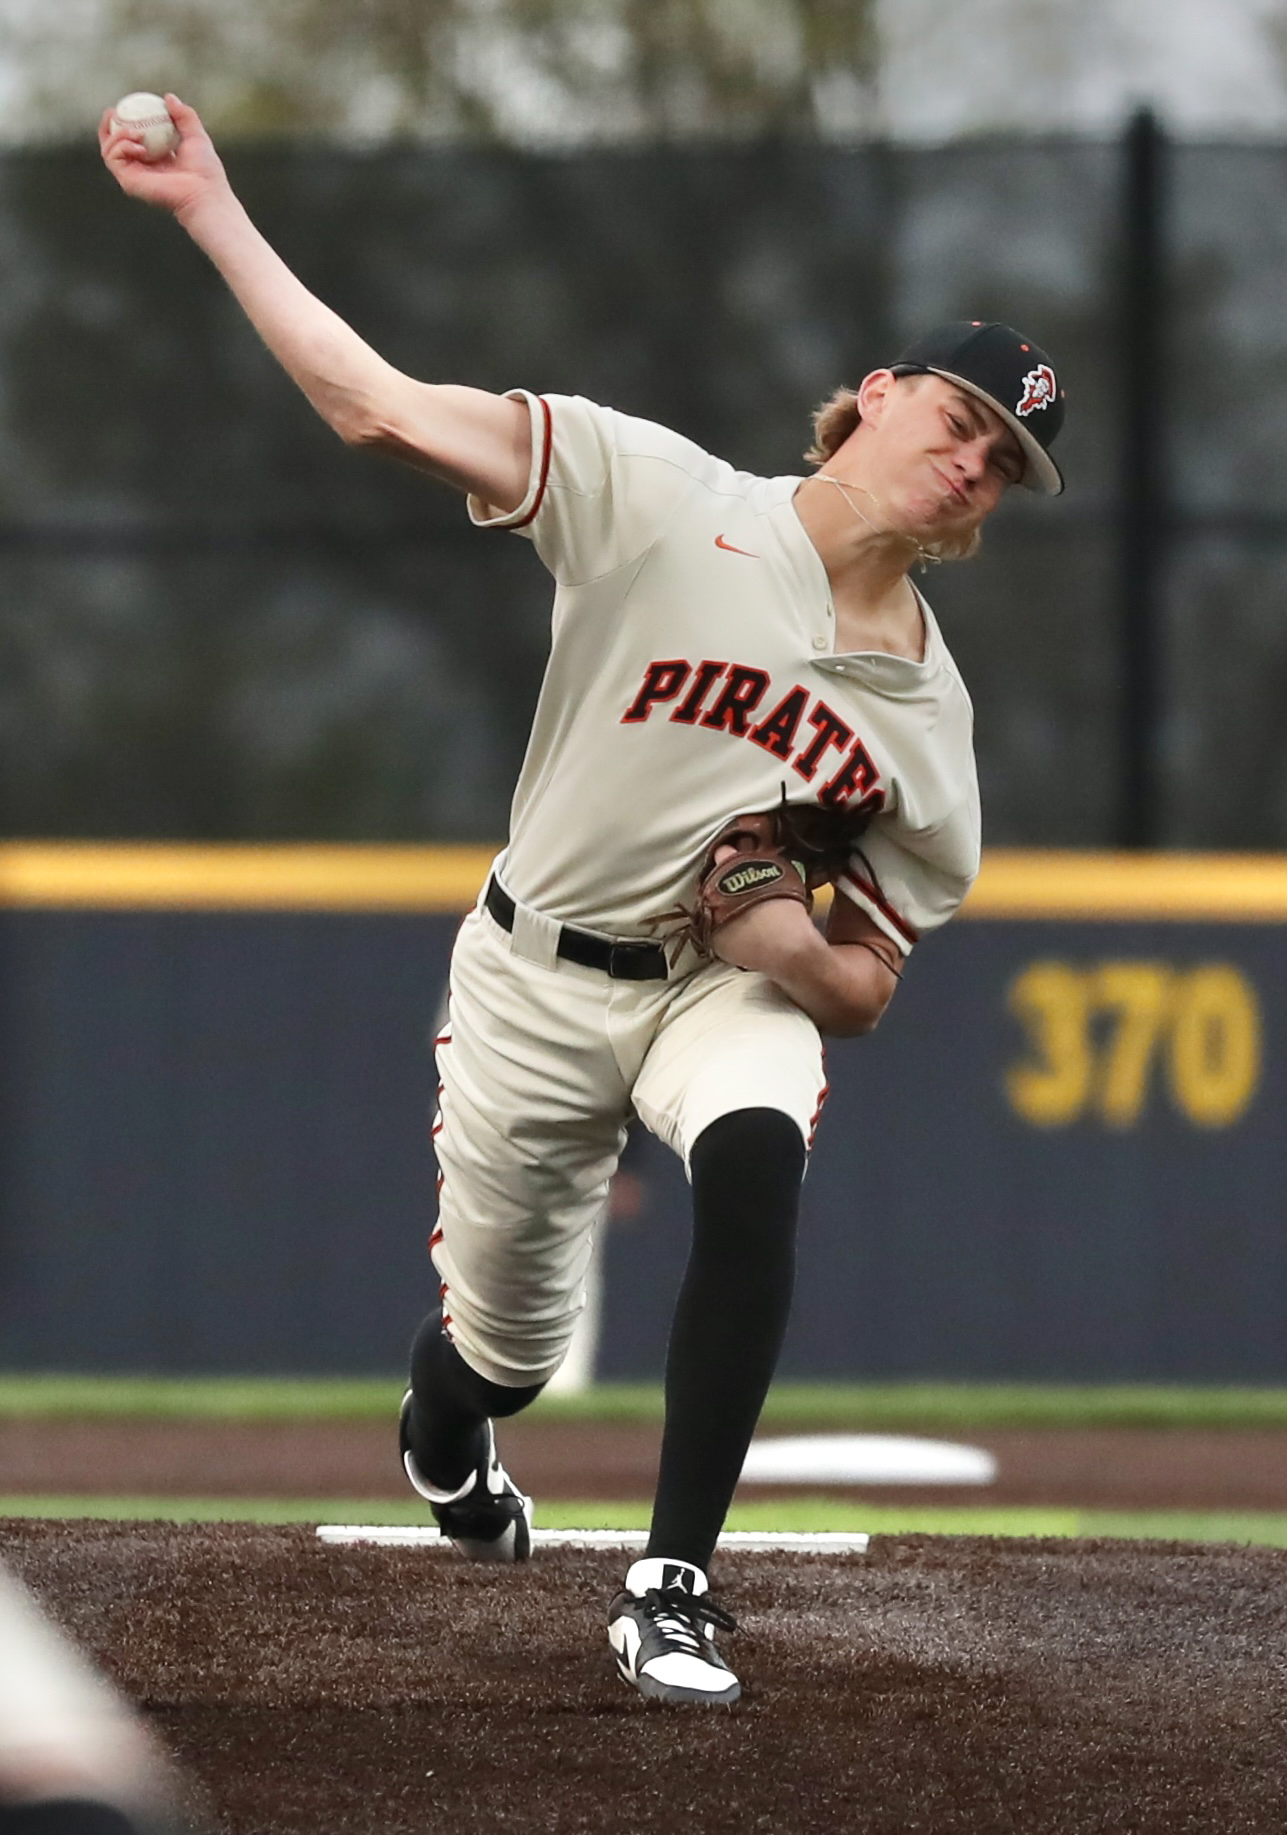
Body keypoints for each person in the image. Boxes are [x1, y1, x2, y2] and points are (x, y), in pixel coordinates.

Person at [101, 97, 1066, 1707]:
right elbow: (374, 408)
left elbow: (865, 986)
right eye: (960, 418)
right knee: (507, 1352)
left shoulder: (927, 721)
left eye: (1002, 466)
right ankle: (449, 1429)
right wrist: (208, 203)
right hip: (535, 978)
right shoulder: (656, 495)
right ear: (878, 394)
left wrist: (782, 943)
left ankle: (674, 1584)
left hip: (719, 986)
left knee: (755, 1162)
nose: (970, 463)